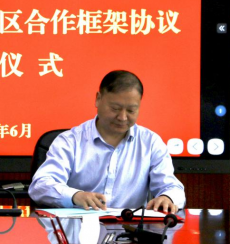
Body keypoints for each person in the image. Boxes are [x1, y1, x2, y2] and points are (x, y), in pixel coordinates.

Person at [29, 70, 185, 213]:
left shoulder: (150, 143)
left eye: (131, 110)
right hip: (77, 229)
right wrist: (75, 196)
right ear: (98, 99)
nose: (122, 117)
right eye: (115, 108)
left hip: (131, 231)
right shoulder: (70, 141)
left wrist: (168, 197)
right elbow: (40, 186)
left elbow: (172, 187)